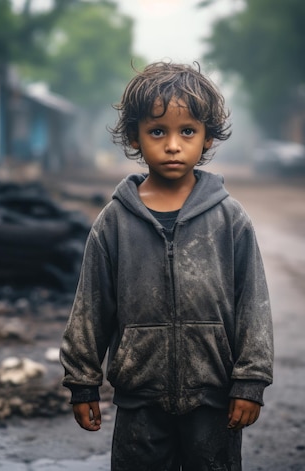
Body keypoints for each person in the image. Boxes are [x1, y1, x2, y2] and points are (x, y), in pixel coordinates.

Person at [60, 61, 274, 471]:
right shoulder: (114, 222)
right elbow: (90, 306)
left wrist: (250, 380)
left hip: (213, 397)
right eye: (158, 132)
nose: (173, 145)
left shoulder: (230, 219)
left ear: (207, 139)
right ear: (135, 139)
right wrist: (82, 382)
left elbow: (254, 305)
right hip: (139, 401)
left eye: (187, 131)